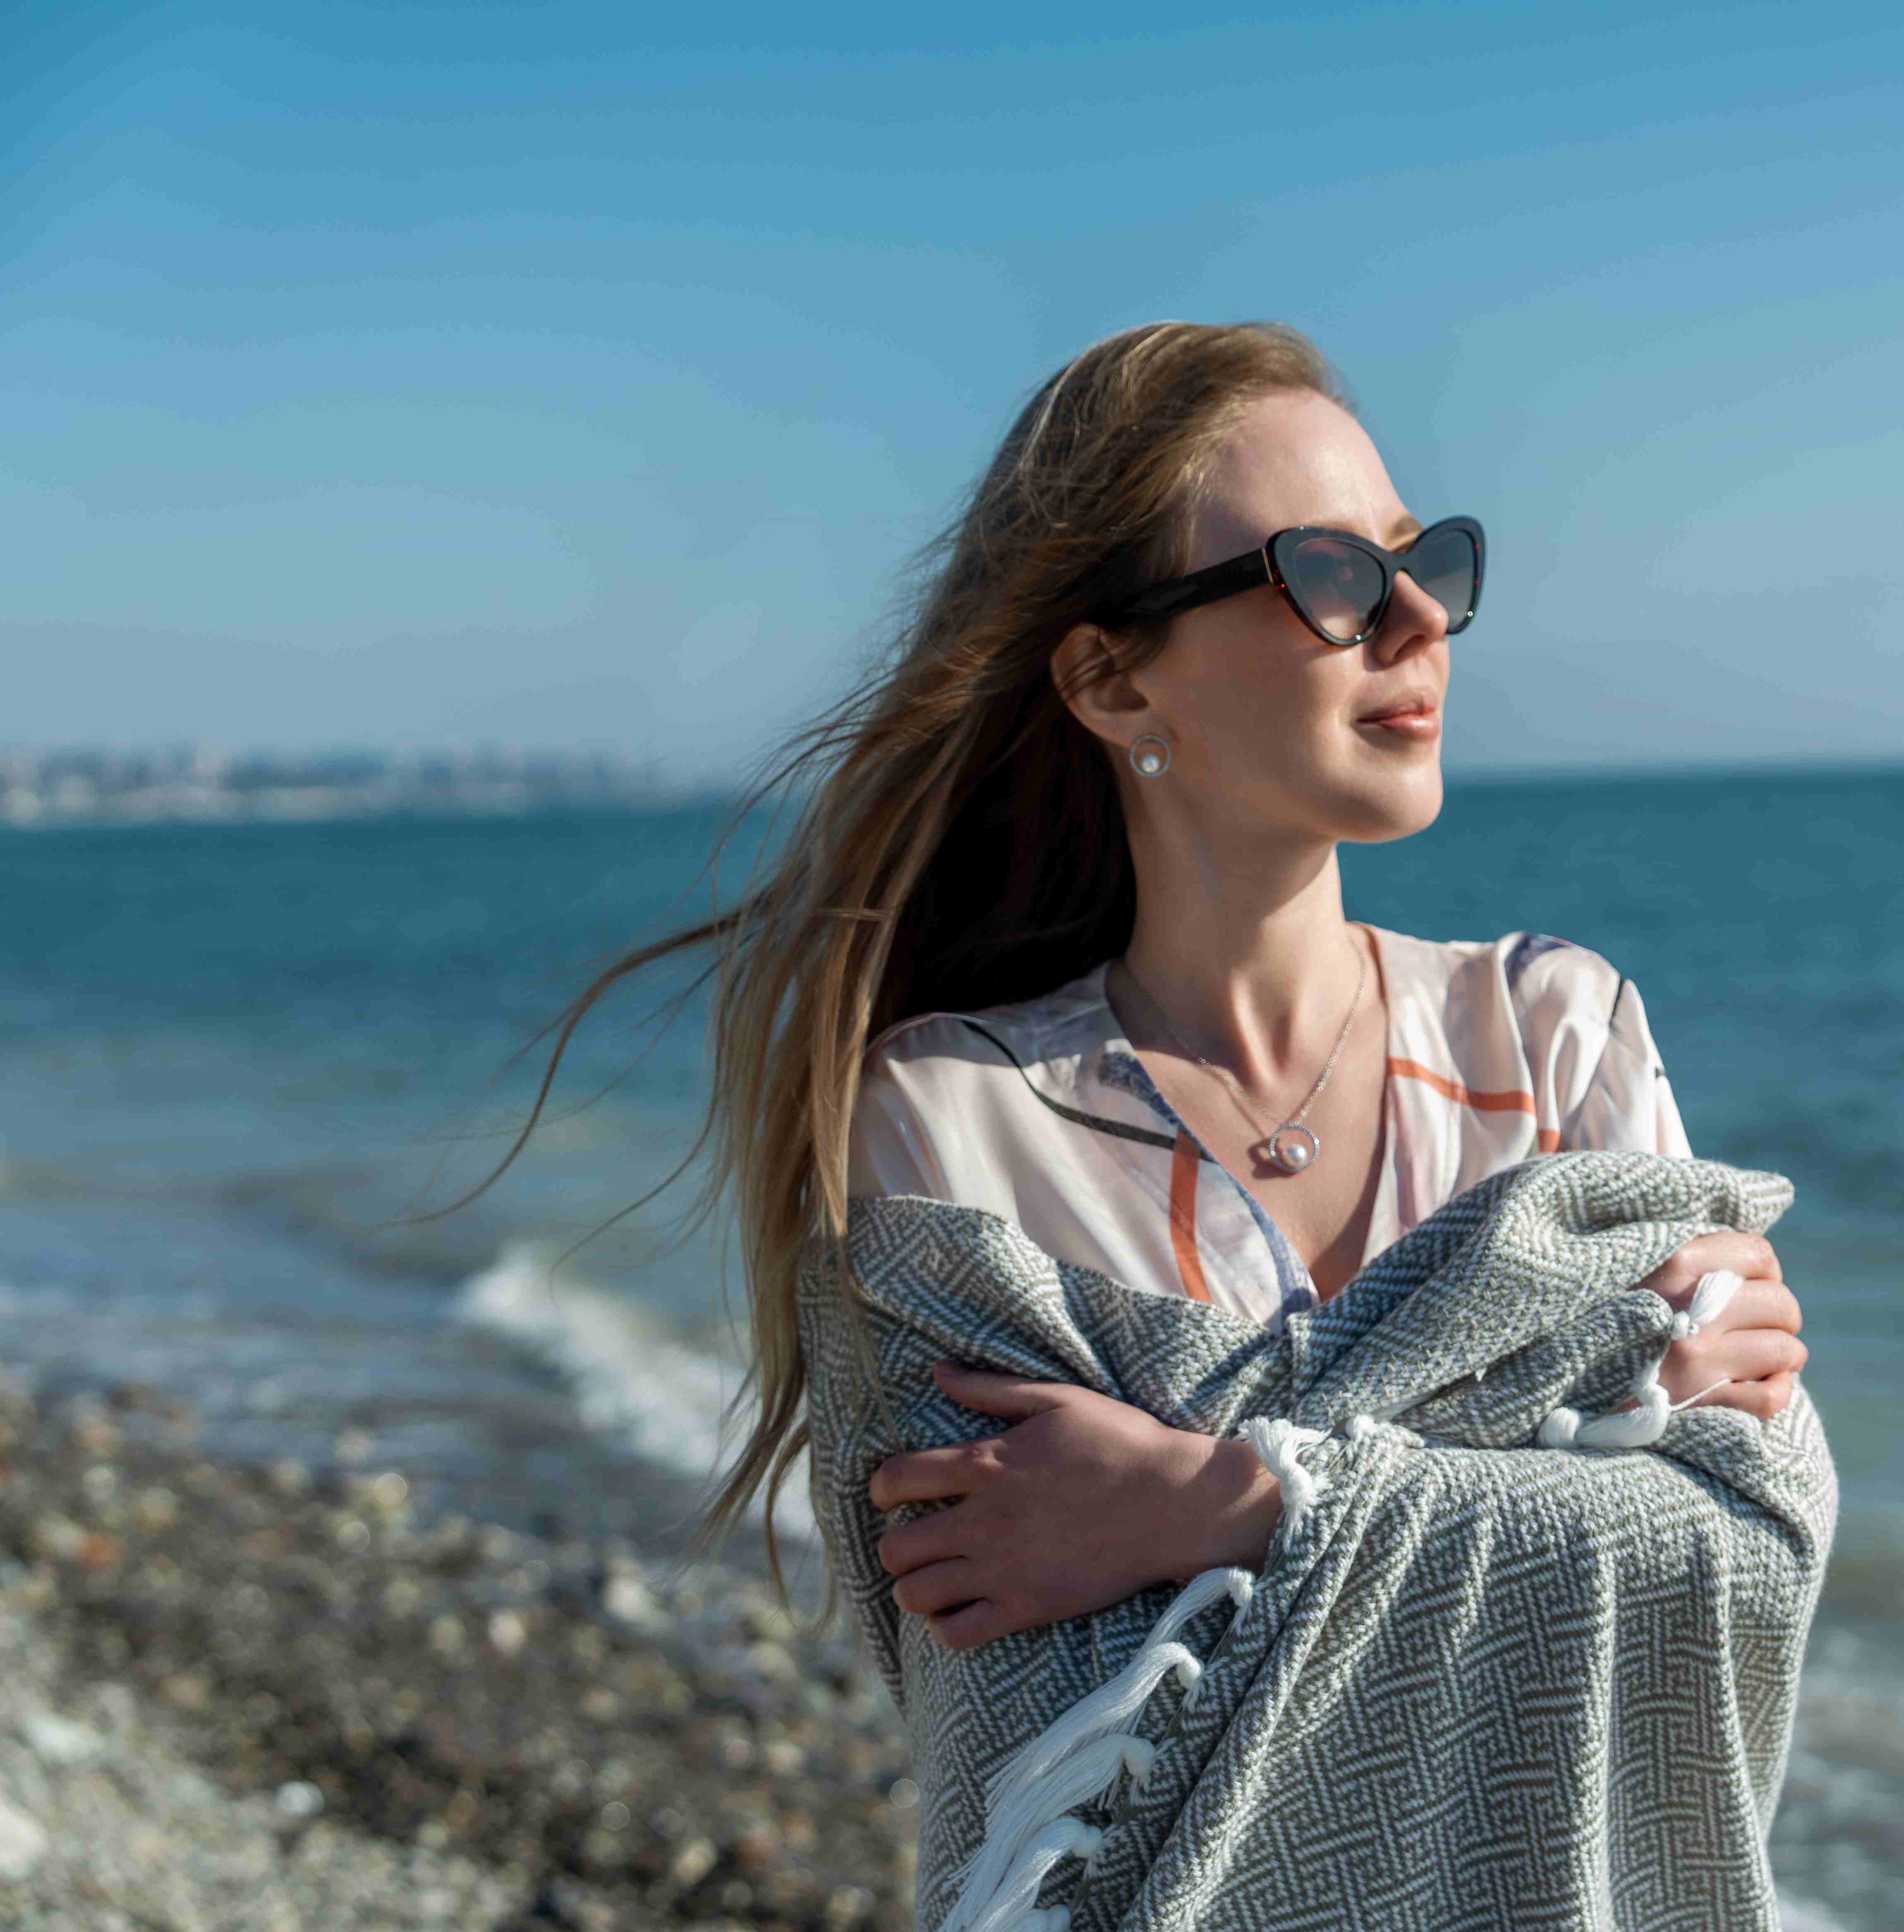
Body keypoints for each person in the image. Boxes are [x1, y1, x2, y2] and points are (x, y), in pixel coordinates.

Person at [476, 314, 1810, 1841]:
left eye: (1420, 560)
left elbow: (1732, 1568)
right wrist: (1558, 1432)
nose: (1415, 622)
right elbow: (1033, 1712)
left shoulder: (1559, 1034)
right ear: (1113, 684)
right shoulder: (952, 1117)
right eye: (1329, 576)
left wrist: (1209, 1504)